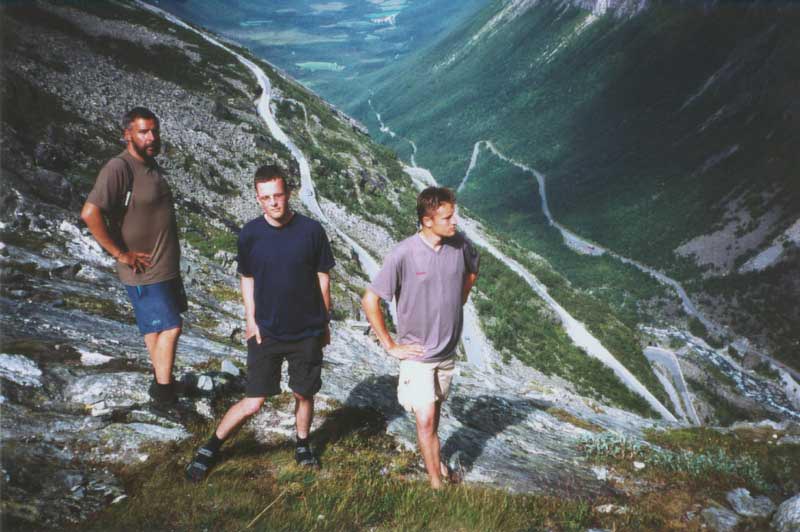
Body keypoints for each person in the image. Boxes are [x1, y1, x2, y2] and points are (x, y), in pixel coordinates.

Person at [185, 165, 334, 482]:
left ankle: (303, 445)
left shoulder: (312, 231)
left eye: (278, 195)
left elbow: (323, 278)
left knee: (303, 394)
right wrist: (250, 320)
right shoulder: (250, 234)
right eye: (266, 198)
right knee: (254, 401)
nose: (273, 203)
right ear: (257, 198)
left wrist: (325, 322)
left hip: (307, 329)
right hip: (266, 330)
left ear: (288, 194)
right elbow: (247, 278)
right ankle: (211, 446)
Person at [362, 186, 479, 489]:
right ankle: (436, 485)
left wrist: (457, 301)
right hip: (417, 357)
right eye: (448, 217)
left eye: (454, 215)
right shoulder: (403, 254)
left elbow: (472, 272)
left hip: (447, 354)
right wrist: (391, 345)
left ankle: (435, 461)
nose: (455, 222)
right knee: (425, 420)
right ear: (427, 221)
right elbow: (370, 300)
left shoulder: (460, 246)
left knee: (433, 417)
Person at [81, 107, 187, 411]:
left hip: (164, 267)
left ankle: (161, 380)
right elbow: (90, 213)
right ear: (127, 133)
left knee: (156, 330)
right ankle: (164, 398)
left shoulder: (150, 164)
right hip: (143, 270)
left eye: (154, 130)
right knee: (171, 327)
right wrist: (120, 253)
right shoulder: (119, 167)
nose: (151, 137)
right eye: (143, 131)